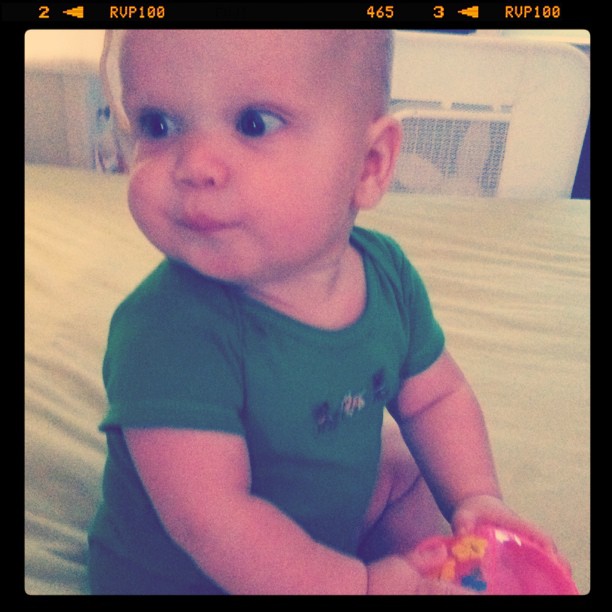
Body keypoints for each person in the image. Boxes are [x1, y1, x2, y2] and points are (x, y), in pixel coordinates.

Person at [88, 29, 564, 595]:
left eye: (254, 123)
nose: (195, 165)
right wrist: (360, 586)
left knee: (405, 470)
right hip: (192, 578)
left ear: (368, 165)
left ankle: (433, 573)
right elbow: (213, 523)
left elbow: (437, 396)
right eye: (158, 125)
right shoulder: (167, 332)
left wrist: (476, 495)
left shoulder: (385, 274)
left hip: (325, 530)